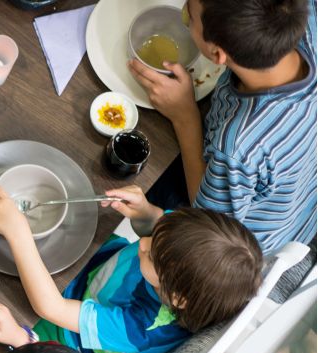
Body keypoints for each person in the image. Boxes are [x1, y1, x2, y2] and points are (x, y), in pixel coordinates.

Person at [0, 184, 263, 353]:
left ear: (176, 297)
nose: (143, 243)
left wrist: (18, 231)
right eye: (155, 236)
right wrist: (146, 212)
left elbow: (50, 307)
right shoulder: (177, 243)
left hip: (62, 340)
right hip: (90, 275)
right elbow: (158, 223)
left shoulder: (141, 329)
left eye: (151, 255)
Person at [129, 0, 315, 254]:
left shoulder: (237, 149)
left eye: (190, 16)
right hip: (303, 200)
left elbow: (206, 221)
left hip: (242, 243)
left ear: (217, 55)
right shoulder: (310, 19)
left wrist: (185, 117)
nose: (183, 7)